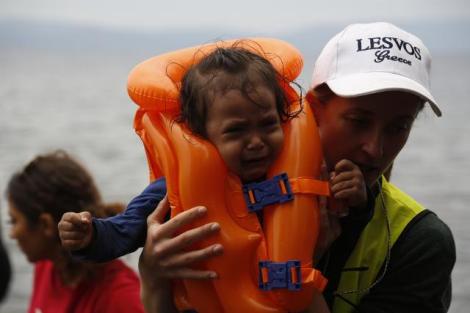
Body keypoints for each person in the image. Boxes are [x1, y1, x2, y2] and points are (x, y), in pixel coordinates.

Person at [139, 22, 455, 313]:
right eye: (358, 121)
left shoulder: (420, 242)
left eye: (399, 127)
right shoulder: (220, 193)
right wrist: (153, 280)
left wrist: (300, 272)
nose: (375, 148)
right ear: (312, 108)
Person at [58, 45, 366, 312]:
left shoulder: (300, 172)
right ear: (201, 135)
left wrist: (351, 190)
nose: (256, 141)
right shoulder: (173, 191)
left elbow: (339, 212)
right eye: (236, 130)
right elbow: (125, 231)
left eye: (268, 124)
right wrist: (90, 236)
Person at [5, 150, 145, 313]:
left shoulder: (120, 297)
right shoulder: (46, 265)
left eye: (14, 221)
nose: (12, 234)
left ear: (45, 225)